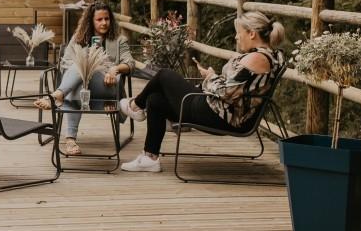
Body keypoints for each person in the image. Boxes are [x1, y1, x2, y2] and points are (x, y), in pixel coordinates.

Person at [116, 11, 286, 172]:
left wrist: (211, 77)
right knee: (155, 99)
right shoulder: (268, 55)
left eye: (239, 32)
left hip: (219, 115)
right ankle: (150, 158)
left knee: (163, 75)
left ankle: (135, 105)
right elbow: (234, 88)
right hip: (216, 109)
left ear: (252, 34)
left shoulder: (257, 59)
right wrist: (212, 77)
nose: (236, 36)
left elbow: (225, 92)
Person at [34, 3, 134, 156]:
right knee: (80, 70)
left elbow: (130, 63)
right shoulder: (78, 38)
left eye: (107, 19)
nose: (104, 23)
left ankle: (57, 96)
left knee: (80, 71)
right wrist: (84, 63)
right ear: (90, 21)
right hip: (80, 86)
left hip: (107, 86)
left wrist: (114, 69)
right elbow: (66, 62)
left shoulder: (119, 40)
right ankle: (70, 140)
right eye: (99, 19)